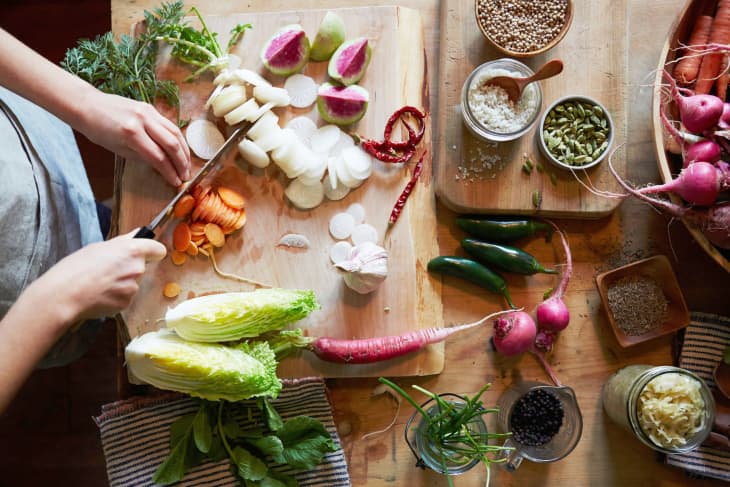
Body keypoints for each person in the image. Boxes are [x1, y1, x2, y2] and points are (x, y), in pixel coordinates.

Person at [0, 28, 192, 412]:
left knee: (92, 215)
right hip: (23, 296)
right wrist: (56, 299)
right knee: (109, 302)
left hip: (18, 149)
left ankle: (103, 221)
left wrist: (85, 101)